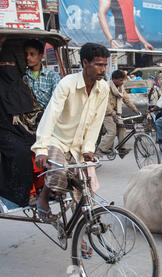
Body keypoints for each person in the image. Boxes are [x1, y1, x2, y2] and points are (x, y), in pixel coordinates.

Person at [31, 43, 110, 221]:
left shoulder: (103, 88)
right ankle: (43, 196)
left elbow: (97, 121)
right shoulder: (67, 84)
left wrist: (88, 148)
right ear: (85, 63)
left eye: (104, 65)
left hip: (78, 145)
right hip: (57, 140)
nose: (102, 69)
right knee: (58, 172)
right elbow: (50, 115)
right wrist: (41, 148)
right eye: (98, 64)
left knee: (83, 190)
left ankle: (82, 232)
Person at [0, 41, 42, 209]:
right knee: (20, 151)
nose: (7, 67)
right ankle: (23, 194)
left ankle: (45, 188)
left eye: (11, 63)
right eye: (3, 64)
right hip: (4, 130)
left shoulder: (22, 84)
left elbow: (32, 111)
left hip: (23, 129)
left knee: (42, 146)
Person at [97, 69, 140, 156]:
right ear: (114, 79)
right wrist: (113, 114)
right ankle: (102, 149)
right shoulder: (106, 87)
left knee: (122, 128)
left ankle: (122, 148)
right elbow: (105, 103)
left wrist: (135, 110)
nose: (122, 82)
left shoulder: (120, 88)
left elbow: (126, 99)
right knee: (112, 132)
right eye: (121, 80)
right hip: (107, 113)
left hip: (117, 113)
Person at [23, 39, 60, 110]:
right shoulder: (24, 76)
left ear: (40, 56)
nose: (28, 57)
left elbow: (56, 102)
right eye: (26, 54)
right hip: (29, 118)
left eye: (32, 54)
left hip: (48, 116)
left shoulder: (53, 77)